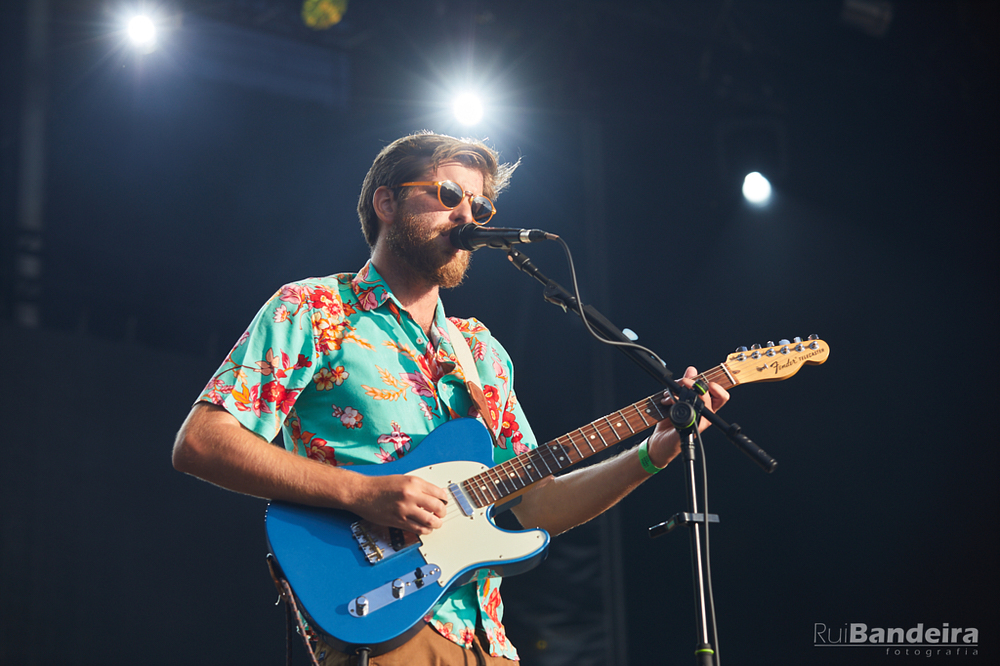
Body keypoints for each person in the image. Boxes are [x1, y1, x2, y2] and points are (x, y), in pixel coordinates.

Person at [172, 131, 729, 665]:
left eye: (481, 208)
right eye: (449, 195)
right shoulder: (314, 308)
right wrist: (363, 492)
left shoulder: (481, 352)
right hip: (379, 625)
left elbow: (539, 504)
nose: (468, 215)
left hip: (487, 640)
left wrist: (650, 456)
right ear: (386, 202)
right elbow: (201, 441)